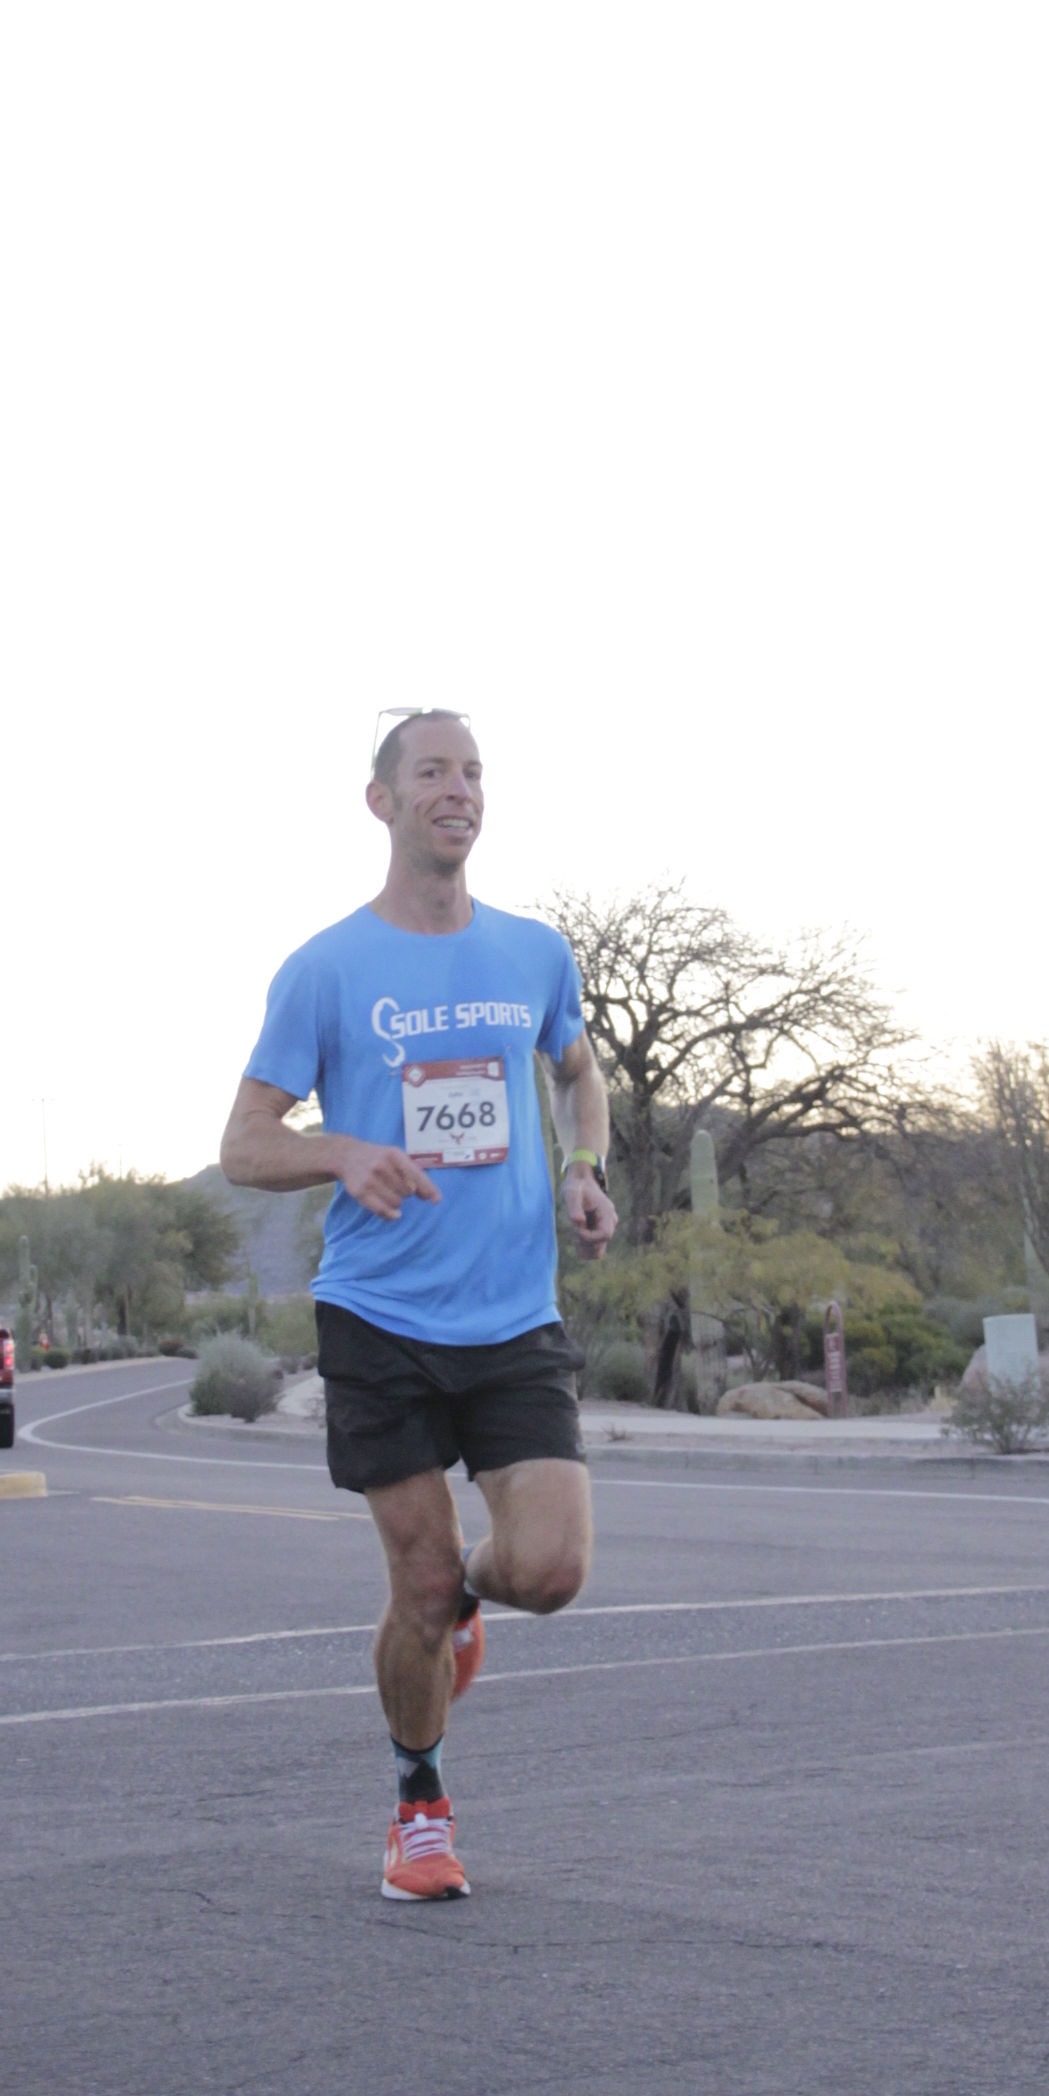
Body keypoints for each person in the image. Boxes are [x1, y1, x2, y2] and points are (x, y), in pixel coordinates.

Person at [220, 709, 617, 1900]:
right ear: (383, 801)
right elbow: (244, 1143)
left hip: (513, 1315)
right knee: (419, 1582)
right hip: (380, 1316)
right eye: (433, 771)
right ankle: (419, 1803)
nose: (460, 789)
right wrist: (341, 1152)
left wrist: (584, 1167)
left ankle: (466, 1607)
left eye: (474, 772)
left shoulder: (535, 954)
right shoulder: (327, 969)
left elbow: (580, 1072)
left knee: (548, 1569)